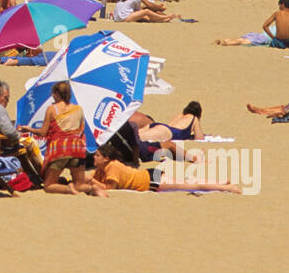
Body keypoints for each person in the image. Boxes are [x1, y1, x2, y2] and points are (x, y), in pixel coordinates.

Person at [26, 81, 106, 196]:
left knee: (48, 186)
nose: (52, 96)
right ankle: (92, 189)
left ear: (57, 94)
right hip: (77, 148)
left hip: (60, 150)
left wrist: (29, 129)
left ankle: (69, 189)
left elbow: (43, 132)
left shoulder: (52, 109)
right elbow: (81, 131)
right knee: (80, 184)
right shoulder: (78, 109)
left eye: (53, 93)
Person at [0, 79, 43, 180]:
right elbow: (9, 132)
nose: (7, 101)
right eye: (6, 98)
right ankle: (43, 173)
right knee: (30, 143)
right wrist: (18, 135)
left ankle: (31, 175)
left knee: (19, 145)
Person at [92, 148, 241, 193]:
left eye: (97, 155)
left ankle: (225, 187)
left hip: (151, 181)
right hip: (149, 174)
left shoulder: (112, 167)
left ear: (106, 158)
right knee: (186, 183)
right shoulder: (102, 168)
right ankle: (221, 183)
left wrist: (91, 182)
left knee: (190, 186)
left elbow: (110, 187)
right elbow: (91, 178)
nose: (94, 157)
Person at [215, 0, 289, 47]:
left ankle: (226, 42)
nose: (279, 7)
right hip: (282, 39)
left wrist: (273, 37)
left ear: (283, 4)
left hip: (271, 38)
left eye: (279, 5)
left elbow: (265, 26)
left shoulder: (277, 14)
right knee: (246, 40)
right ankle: (226, 41)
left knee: (246, 40)